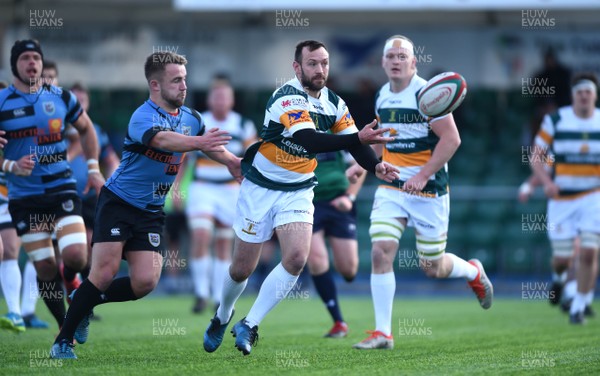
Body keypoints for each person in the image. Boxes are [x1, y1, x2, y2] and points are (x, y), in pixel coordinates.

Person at [203, 40, 398, 356]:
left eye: (324, 63)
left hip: (299, 188)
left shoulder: (334, 102)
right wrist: (357, 137)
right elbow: (308, 139)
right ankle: (223, 315)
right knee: (241, 269)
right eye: (312, 63)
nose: (320, 69)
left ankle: (249, 324)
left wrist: (376, 166)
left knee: (295, 259)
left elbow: (355, 146)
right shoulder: (286, 97)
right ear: (297, 67)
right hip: (260, 188)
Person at [50, 51, 241, 359]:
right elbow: (164, 141)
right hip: (119, 203)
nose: (183, 86)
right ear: (155, 85)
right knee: (103, 274)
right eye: (176, 80)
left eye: (185, 80)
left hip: (150, 210)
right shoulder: (143, 117)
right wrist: (199, 144)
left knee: (145, 282)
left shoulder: (192, 118)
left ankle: (85, 300)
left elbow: (206, 144)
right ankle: (62, 341)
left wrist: (232, 162)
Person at [351, 35, 493, 350]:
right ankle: (383, 334)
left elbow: (451, 140)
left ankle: (472, 271)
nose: (396, 61)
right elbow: (382, 136)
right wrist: (364, 164)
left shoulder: (429, 95)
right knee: (379, 251)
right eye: (391, 56)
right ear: (383, 62)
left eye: (403, 56)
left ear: (414, 62)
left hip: (429, 191)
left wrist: (424, 174)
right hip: (392, 186)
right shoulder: (382, 96)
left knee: (433, 267)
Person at [0, 40, 104, 331]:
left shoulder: (61, 97)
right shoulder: (3, 102)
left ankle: (72, 278)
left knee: (77, 255)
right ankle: (65, 329)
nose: (32, 63)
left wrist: (94, 170)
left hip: (61, 189)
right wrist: (11, 166)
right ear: (14, 65)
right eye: (25, 58)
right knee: (44, 267)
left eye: (36, 57)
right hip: (25, 196)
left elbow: (86, 129)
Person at [530, 73, 600, 324]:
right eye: (579, 91)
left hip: (593, 197)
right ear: (573, 95)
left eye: (588, 91)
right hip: (561, 200)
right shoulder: (556, 120)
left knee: (590, 253)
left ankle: (579, 307)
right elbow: (536, 155)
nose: (584, 96)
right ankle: (559, 279)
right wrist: (546, 182)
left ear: (594, 94)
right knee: (562, 260)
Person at [185, 78, 257, 313]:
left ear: (232, 100)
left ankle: (218, 296)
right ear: (209, 99)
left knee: (224, 243)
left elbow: (252, 157)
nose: (220, 101)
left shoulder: (243, 125)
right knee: (201, 236)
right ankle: (200, 294)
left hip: (230, 188)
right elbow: (184, 157)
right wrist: (177, 188)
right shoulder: (199, 121)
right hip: (202, 186)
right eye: (216, 96)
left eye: (225, 96)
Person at [307, 152, 366, 338]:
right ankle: (338, 322)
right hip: (307, 202)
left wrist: (350, 197)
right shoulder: (295, 128)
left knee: (348, 270)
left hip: (339, 202)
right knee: (316, 260)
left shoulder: (339, 127)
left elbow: (362, 162)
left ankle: (345, 275)